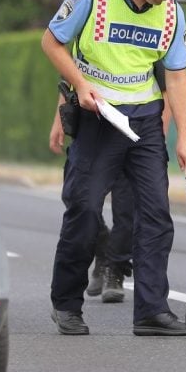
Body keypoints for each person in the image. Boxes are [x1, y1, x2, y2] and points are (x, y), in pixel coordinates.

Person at [42, 0, 186, 336]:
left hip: (144, 120)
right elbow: (52, 42)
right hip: (98, 118)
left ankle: (151, 311)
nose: (169, 0)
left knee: (156, 215)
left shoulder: (172, 14)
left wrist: (185, 138)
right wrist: (79, 86)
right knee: (85, 209)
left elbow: (176, 77)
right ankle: (66, 304)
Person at [49, 99, 134, 304]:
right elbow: (68, 83)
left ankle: (115, 267)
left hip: (133, 133)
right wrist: (58, 122)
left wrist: (160, 133)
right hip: (92, 130)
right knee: (76, 199)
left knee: (127, 208)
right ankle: (103, 245)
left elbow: (165, 91)